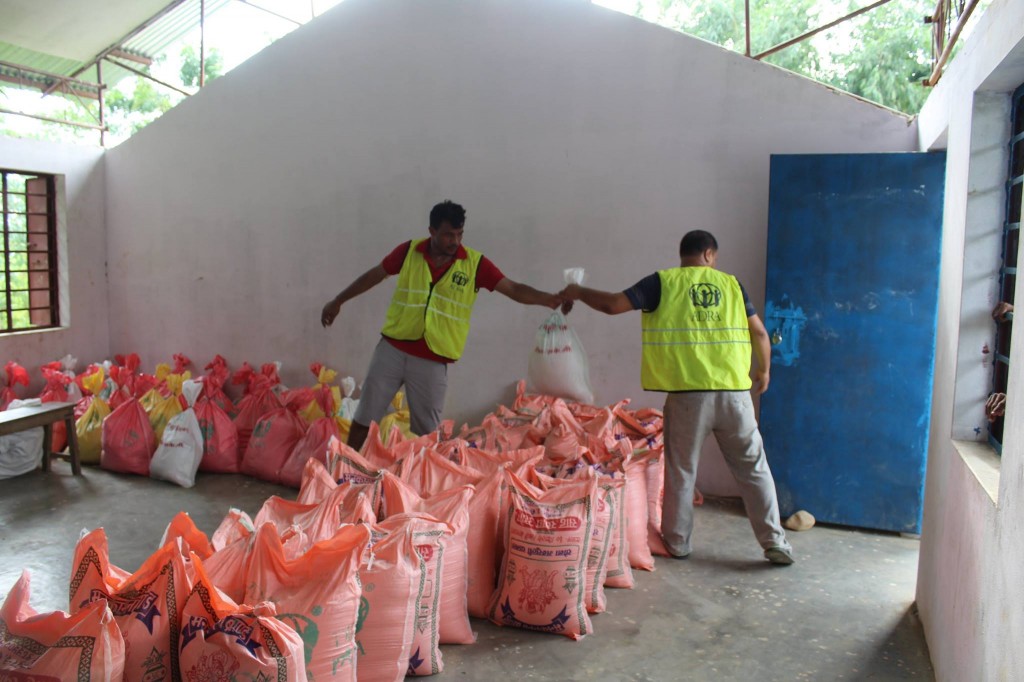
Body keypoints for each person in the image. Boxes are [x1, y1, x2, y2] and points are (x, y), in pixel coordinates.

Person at [559, 229, 794, 565]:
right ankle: (775, 542)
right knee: (754, 468)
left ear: (683, 254)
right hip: (734, 395)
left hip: (687, 398)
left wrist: (578, 291)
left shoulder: (662, 283)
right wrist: (764, 371)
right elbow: (759, 332)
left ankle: (678, 542)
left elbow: (612, 305)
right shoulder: (732, 285)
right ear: (709, 254)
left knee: (682, 472)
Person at [321, 200, 564, 451]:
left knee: (429, 435)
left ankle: (426, 475)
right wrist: (338, 300)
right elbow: (374, 275)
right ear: (432, 231)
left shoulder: (474, 264)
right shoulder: (409, 251)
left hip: (432, 359)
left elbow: (513, 288)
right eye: (448, 234)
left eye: (459, 234)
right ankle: (344, 467)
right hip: (391, 349)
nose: (455, 241)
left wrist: (547, 299)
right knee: (364, 417)